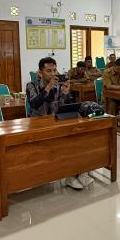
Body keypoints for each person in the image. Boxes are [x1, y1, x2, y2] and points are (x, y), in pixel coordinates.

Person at [25, 57, 90, 190]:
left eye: (55, 70)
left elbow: (64, 108)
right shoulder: (31, 85)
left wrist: (66, 94)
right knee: (63, 145)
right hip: (38, 125)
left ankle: (78, 173)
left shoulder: (59, 86)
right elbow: (35, 103)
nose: (53, 74)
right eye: (49, 71)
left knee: (78, 138)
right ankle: (70, 176)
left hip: (55, 122)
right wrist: (48, 87)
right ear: (40, 73)